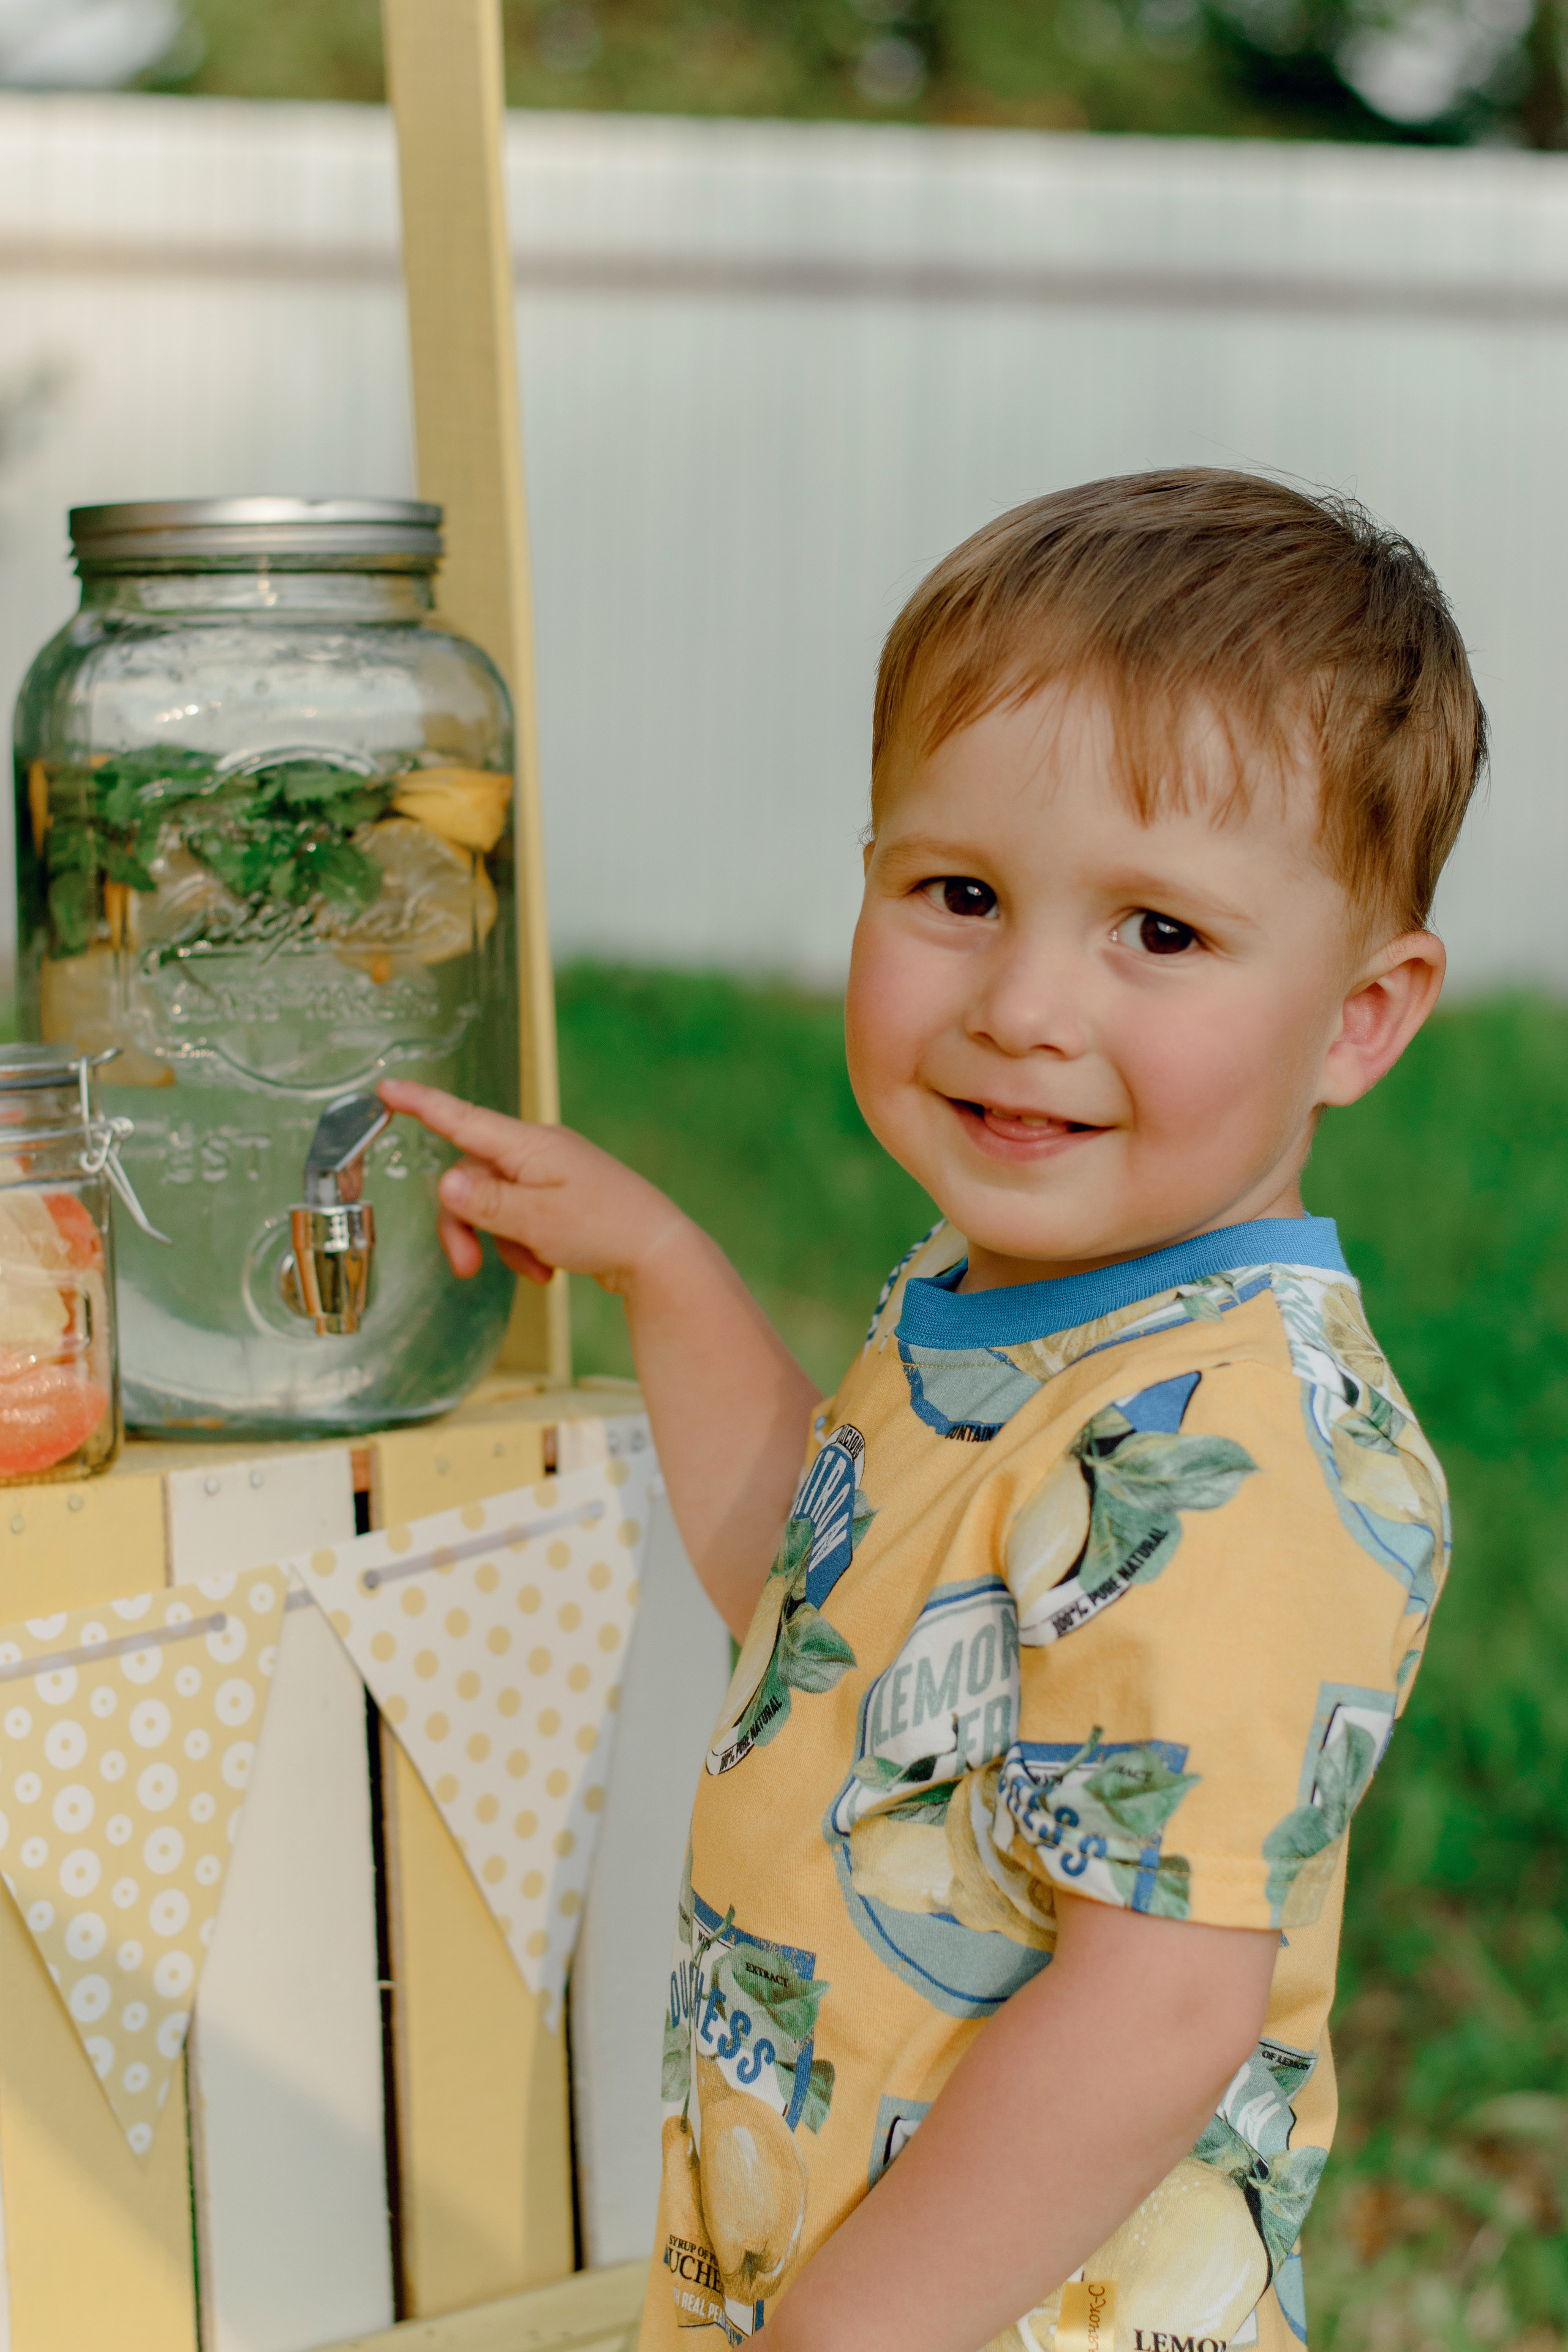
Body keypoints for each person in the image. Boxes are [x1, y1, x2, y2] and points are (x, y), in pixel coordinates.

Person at [381, 469, 1483, 2352]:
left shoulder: (1226, 1453)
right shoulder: (1004, 1308)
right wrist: (666, 1268)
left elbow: (1159, 2007)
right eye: (959, 895)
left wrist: (849, 2331)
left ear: (1362, 1017)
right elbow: (827, 1611)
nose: (1025, 1002)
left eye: (1159, 934)